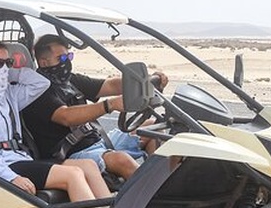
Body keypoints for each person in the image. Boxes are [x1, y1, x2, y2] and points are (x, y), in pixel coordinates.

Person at [0, 40, 111, 202]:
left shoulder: (9, 94)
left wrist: (10, 73)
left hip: (21, 158)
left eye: (7, 63)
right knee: (73, 174)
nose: (3, 69)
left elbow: (41, 83)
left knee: (88, 166)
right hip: (2, 164)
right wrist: (11, 177)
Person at [22, 34, 168, 180]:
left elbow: (110, 85)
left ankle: (162, 180)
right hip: (72, 153)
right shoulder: (37, 90)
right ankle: (152, 196)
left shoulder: (70, 81)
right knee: (121, 160)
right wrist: (109, 105)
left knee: (153, 128)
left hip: (99, 141)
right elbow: (66, 116)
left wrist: (146, 81)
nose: (67, 62)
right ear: (44, 62)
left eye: (69, 56)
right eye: (62, 58)